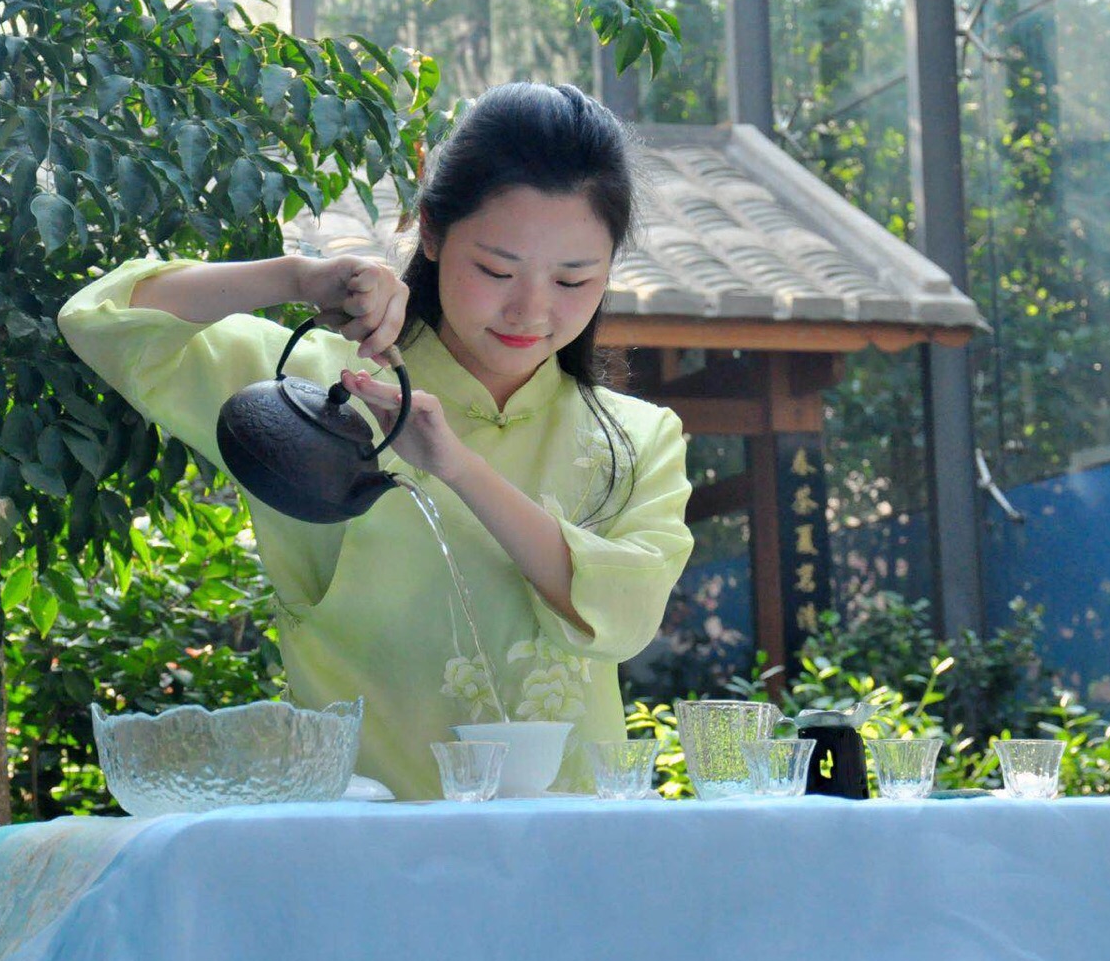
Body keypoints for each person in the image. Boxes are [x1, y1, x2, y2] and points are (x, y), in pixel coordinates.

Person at [58, 82, 694, 799]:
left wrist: (454, 465)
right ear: (430, 232)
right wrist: (295, 277)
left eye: (575, 280)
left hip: (573, 851)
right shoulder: (315, 389)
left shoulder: (636, 436)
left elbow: (624, 617)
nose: (531, 309)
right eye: (495, 270)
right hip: (363, 845)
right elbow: (100, 319)